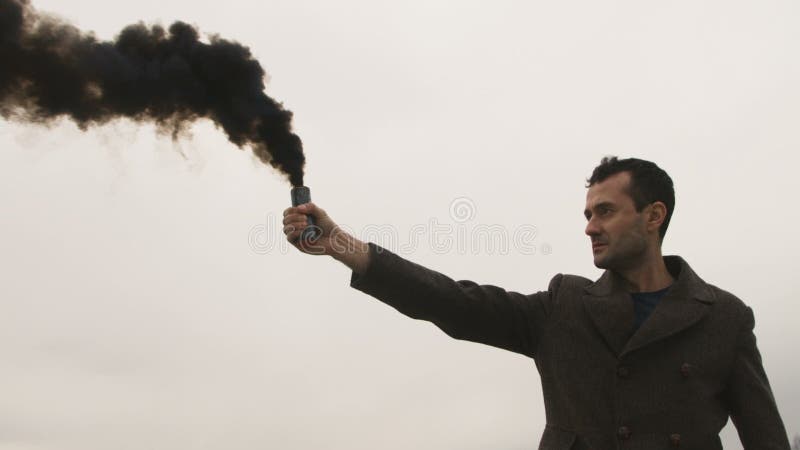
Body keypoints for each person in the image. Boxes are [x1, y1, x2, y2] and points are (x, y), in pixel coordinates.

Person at [282, 157, 790, 449]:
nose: (589, 226)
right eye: (588, 213)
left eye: (606, 211)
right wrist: (341, 245)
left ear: (653, 216)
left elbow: (766, 439)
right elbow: (455, 303)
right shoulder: (563, 305)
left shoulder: (724, 318)